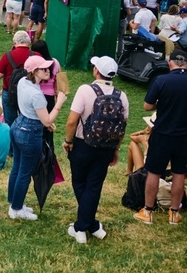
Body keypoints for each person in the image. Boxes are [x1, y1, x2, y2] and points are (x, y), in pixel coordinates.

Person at [135, 50, 187, 226]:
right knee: (179, 174)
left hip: (162, 134)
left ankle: (147, 211)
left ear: (170, 63)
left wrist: (163, 104)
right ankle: (174, 213)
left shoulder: (161, 80)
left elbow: (147, 106)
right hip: (185, 135)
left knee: (154, 172)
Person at [63, 56, 129, 243]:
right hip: (106, 147)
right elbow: (122, 126)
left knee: (79, 183)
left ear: (96, 71)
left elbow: (71, 121)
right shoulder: (121, 96)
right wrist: (116, 148)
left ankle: (81, 228)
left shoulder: (85, 90)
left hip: (82, 144)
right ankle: (92, 225)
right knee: (94, 185)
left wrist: (68, 141)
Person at [6, 54, 67, 221]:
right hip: (29, 133)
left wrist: (45, 123)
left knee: (17, 168)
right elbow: (47, 118)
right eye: (43, 68)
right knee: (25, 172)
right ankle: (16, 209)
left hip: (18, 126)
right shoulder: (37, 94)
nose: (48, 71)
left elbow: (40, 117)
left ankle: (13, 201)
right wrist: (60, 103)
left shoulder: (23, 82)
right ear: (34, 71)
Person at [0, 30, 33, 128]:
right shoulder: (35, 55)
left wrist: (0, 92)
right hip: (29, 93)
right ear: (29, 42)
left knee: (10, 123)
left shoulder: (8, 55)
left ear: (14, 42)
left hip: (10, 92)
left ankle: (11, 141)